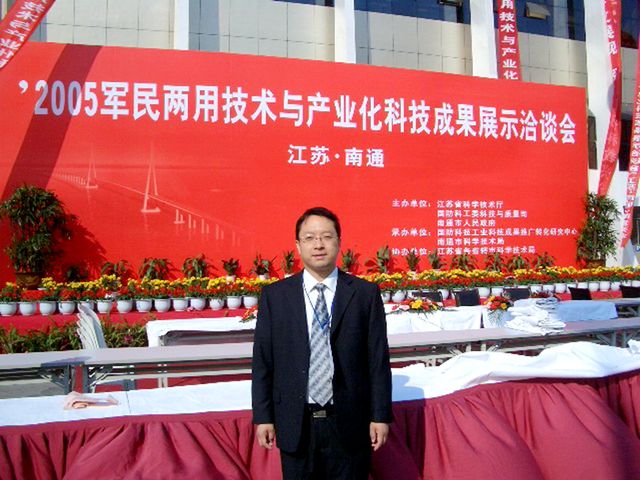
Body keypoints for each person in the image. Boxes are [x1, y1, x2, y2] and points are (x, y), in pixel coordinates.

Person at [252, 206, 392, 479]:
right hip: (296, 421)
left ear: (339, 242)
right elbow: (263, 361)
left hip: (350, 420)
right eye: (309, 238)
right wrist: (263, 416)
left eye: (326, 237)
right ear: (298, 245)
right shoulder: (275, 296)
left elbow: (377, 360)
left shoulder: (364, 294)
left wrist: (380, 415)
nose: (318, 245)